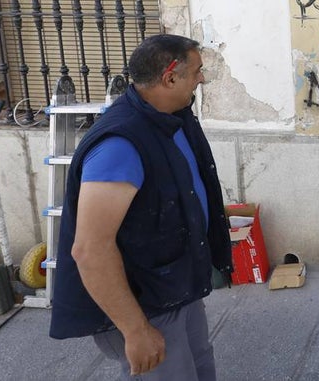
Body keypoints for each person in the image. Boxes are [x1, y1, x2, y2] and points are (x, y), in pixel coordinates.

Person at [50, 34, 232, 380]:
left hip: (177, 285)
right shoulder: (120, 144)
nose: (202, 79)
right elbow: (90, 250)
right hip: (146, 302)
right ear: (170, 77)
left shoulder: (171, 114)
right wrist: (135, 330)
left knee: (201, 365)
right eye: (197, 72)